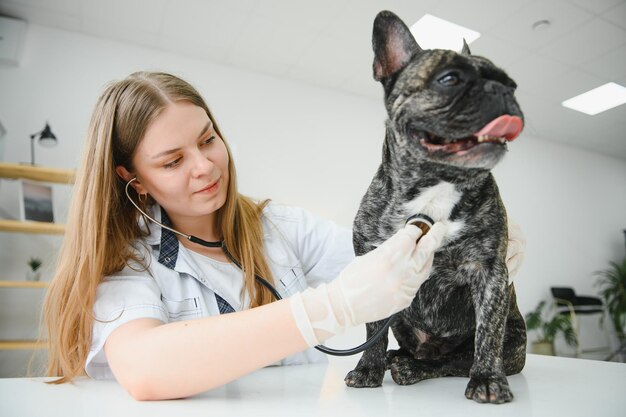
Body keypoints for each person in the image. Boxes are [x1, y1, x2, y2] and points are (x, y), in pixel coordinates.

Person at [42, 72, 523, 401]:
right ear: (135, 180)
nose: (205, 165)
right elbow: (145, 369)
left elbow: (393, 268)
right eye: (173, 161)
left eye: (208, 139)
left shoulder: (281, 228)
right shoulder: (126, 263)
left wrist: (474, 238)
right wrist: (331, 308)